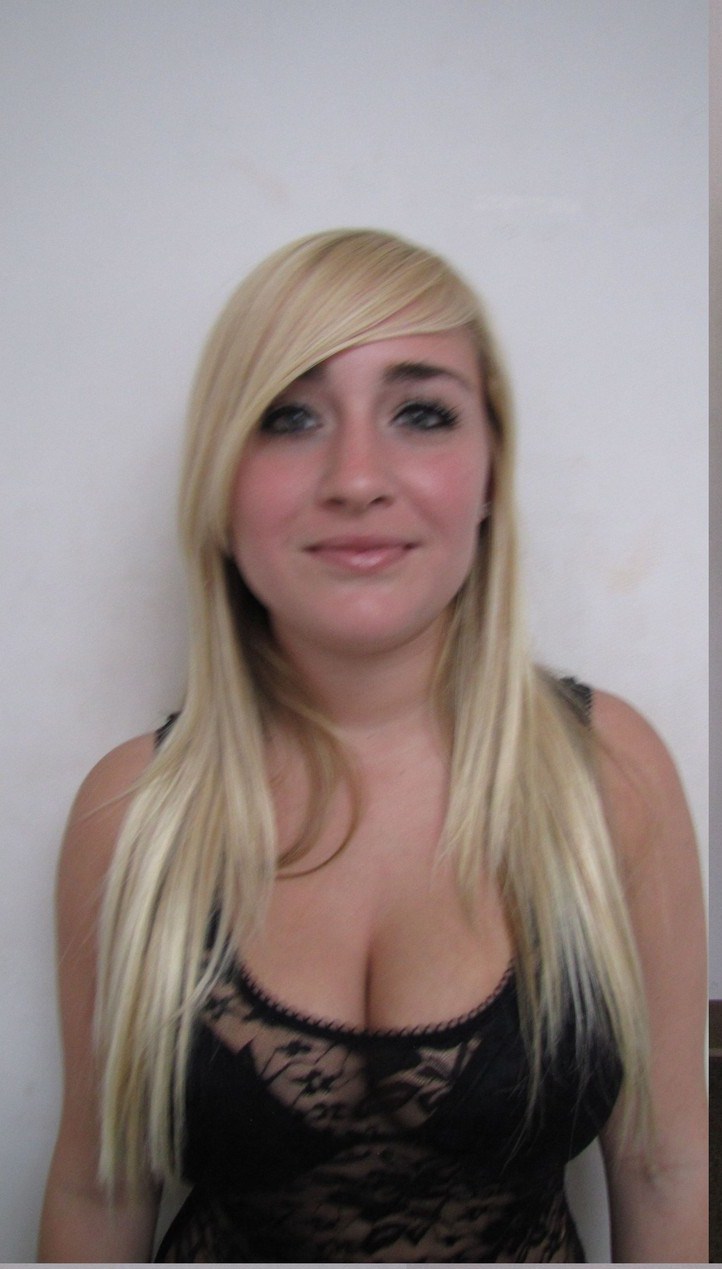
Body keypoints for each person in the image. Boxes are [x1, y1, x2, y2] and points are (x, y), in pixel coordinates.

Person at [38, 229, 706, 1263]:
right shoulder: (132, 814)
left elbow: (665, 1169)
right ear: (220, 481)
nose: (355, 477)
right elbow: (97, 1189)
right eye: (289, 416)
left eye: (421, 413)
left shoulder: (609, 775)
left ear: (491, 472)